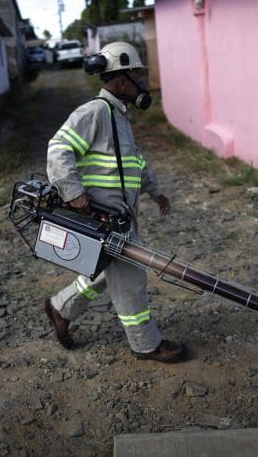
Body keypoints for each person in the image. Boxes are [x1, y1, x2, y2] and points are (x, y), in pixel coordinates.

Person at [42, 41, 188, 363]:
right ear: (122, 80)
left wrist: (155, 190)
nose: (143, 81)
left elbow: (134, 162)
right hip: (103, 216)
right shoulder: (95, 112)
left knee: (107, 272)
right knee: (131, 277)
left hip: (119, 217)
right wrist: (73, 193)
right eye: (138, 73)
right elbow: (58, 148)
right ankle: (146, 344)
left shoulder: (119, 116)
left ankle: (60, 308)